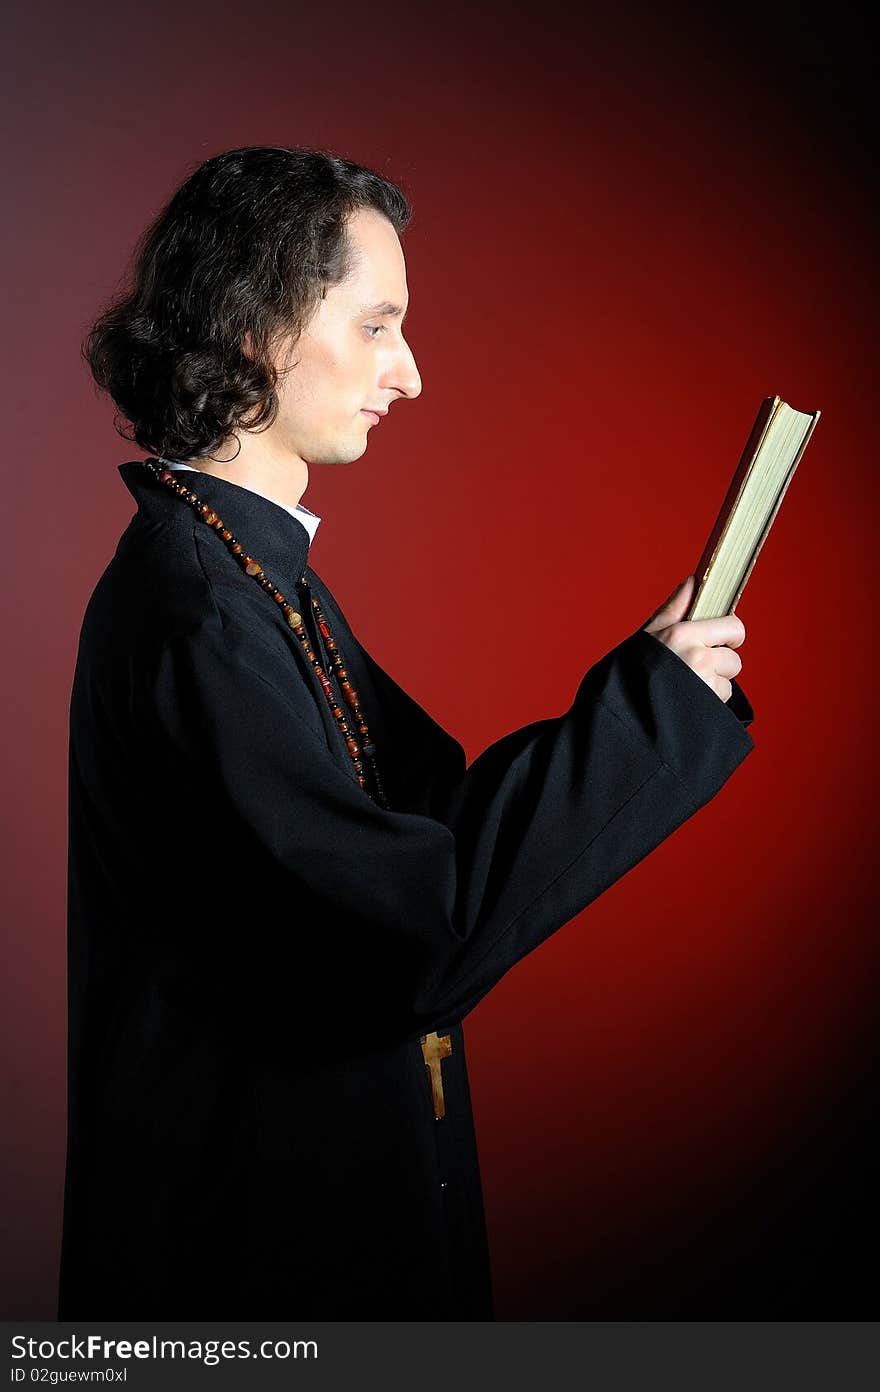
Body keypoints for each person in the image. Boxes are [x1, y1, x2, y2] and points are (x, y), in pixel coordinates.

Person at [58, 145, 754, 1320]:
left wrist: (653, 681)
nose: (410, 374)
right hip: (250, 1271)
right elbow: (409, 929)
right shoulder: (201, 605)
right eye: (378, 326)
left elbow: (430, 811)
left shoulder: (247, 569)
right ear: (254, 321)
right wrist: (651, 712)